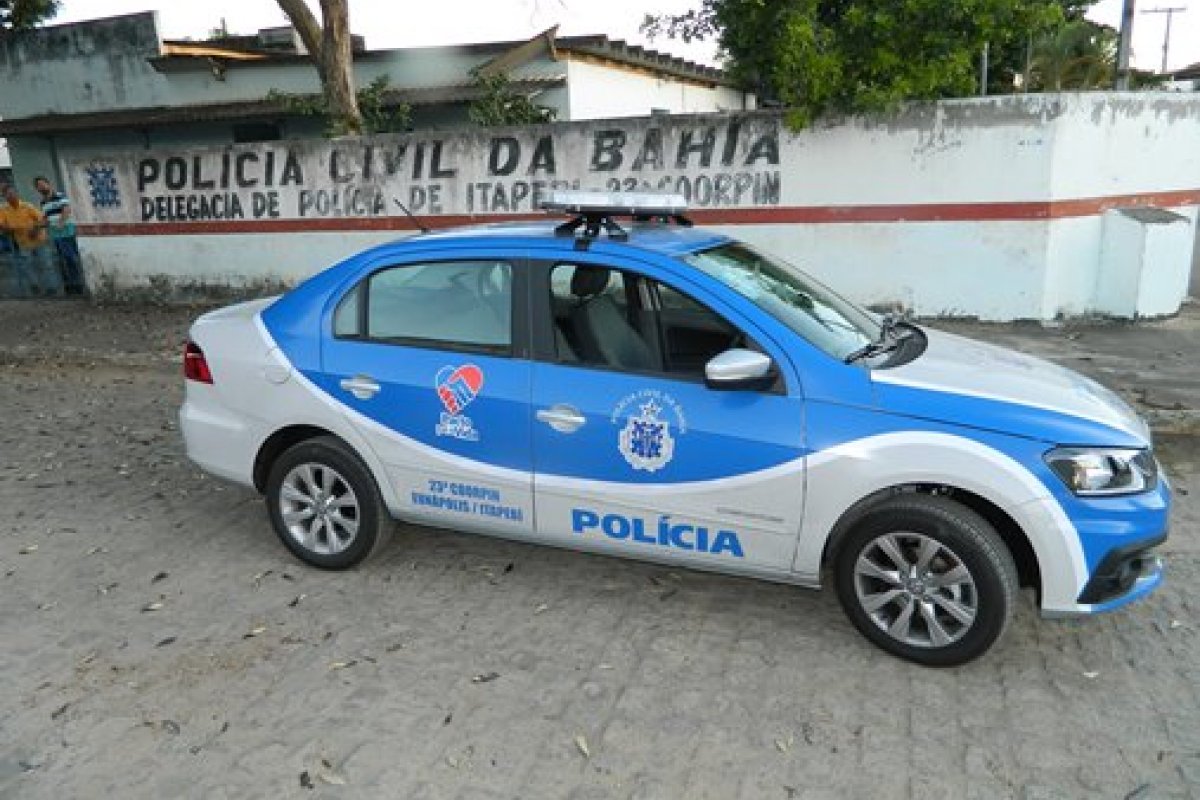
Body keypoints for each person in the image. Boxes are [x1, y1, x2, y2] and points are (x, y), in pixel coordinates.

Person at [0, 183, 60, 297]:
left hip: (39, 240)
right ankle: (35, 289)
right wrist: (7, 228)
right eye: (7, 194)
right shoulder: (3, 210)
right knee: (28, 266)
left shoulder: (28, 206)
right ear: (4, 196)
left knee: (46, 264)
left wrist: (36, 228)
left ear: (17, 194)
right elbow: (2, 225)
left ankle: (52, 289)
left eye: (12, 193)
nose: (11, 196)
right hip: (23, 242)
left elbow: (44, 220)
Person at [35, 176, 86, 296]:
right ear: (37, 189)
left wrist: (61, 223)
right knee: (61, 261)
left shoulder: (59, 196)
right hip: (55, 235)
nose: (42, 187)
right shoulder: (43, 202)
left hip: (66, 232)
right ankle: (69, 287)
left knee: (71, 259)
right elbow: (46, 218)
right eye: (39, 185)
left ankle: (78, 285)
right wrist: (38, 226)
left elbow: (66, 210)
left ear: (48, 184)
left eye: (43, 184)